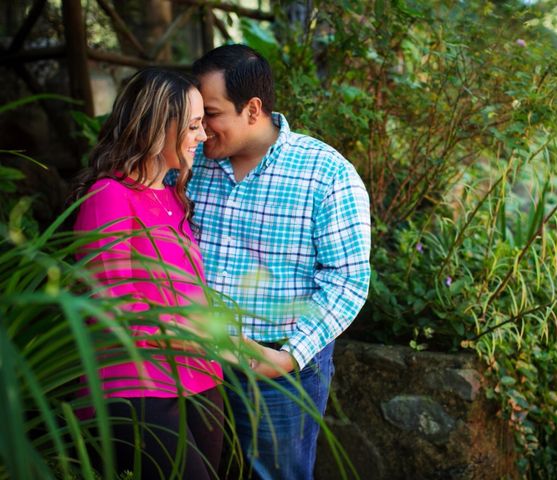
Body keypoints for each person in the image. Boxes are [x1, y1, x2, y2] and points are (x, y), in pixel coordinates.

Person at [185, 44, 371, 479]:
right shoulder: (188, 161)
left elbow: (347, 281)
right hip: (192, 358)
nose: (199, 128)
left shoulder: (327, 174)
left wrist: (289, 357)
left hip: (278, 370)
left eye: (210, 114)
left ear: (252, 109)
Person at [71, 67, 224, 480]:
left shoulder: (174, 196)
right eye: (193, 125)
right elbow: (113, 309)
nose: (203, 135)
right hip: (137, 382)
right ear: (159, 127)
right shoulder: (109, 195)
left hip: (200, 376)